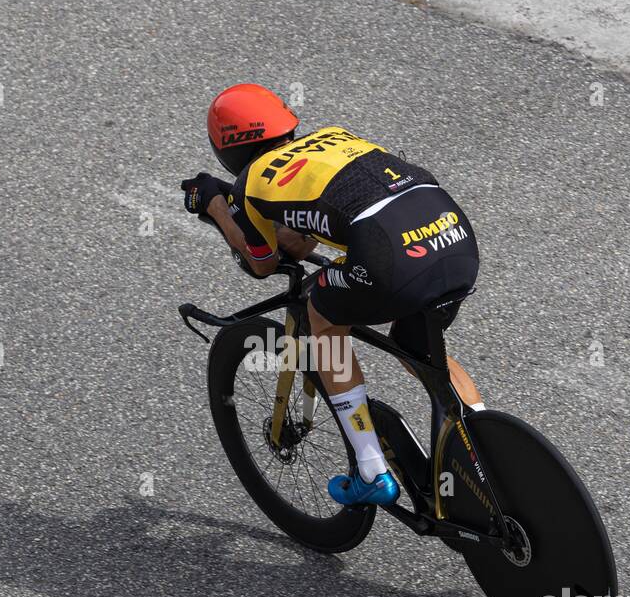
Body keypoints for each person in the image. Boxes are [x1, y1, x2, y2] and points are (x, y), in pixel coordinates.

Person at [181, 83, 481, 506]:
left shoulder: (251, 183)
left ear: (227, 149)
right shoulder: (334, 138)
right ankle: (485, 441)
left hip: (390, 256)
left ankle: (371, 467)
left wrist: (215, 204)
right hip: (454, 236)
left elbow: (262, 263)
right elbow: (302, 242)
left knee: (321, 313)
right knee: (418, 349)